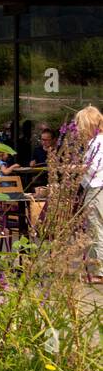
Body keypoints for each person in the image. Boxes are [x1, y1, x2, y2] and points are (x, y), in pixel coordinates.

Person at [76, 105, 103, 282]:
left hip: (96, 188)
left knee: (96, 229)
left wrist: (73, 168)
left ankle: (99, 273)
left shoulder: (97, 142)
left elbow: (93, 168)